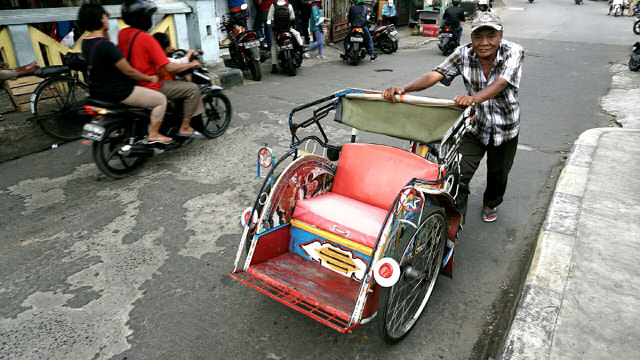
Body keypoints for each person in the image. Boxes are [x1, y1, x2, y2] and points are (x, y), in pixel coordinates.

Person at [382, 11, 524, 223]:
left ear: (500, 35)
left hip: (506, 128)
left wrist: (473, 98)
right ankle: (454, 224)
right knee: (456, 175)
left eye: (491, 36)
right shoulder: (463, 54)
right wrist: (404, 89)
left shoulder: (514, 51)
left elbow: (501, 82)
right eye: (478, 37)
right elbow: (435, 74)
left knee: (498, 175)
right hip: (474, 126)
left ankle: (491, 203)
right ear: (471, 37)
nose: (484, 43)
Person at [77, 3, 172, 144]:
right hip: (119, 91)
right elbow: (129, 71)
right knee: (160, 100)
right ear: (100, 19)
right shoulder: (107, 46)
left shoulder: (86, 43)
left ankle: (128, 129)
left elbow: (105, 43)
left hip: (98, 92)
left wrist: (104, 27)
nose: (107, 18)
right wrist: (149, 78)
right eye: (105, 16)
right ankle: (154, 134)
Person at [118, 0, 205, 139]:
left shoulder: (122, 34)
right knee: (192, 89)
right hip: (151, 84)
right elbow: (169, 66)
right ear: (143, 18)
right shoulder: (147, 39)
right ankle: (185, 127)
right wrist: (190, 64)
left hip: (132, 83)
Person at [267, 0, 304, 73]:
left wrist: (273, 31)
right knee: (297, 34)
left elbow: (269, 19)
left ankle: (274, 65)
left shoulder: (273, 6)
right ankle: (301, 49)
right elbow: (292, 18)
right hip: (288, 29)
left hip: (277, 31)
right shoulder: (289, 5)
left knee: (274, 46)